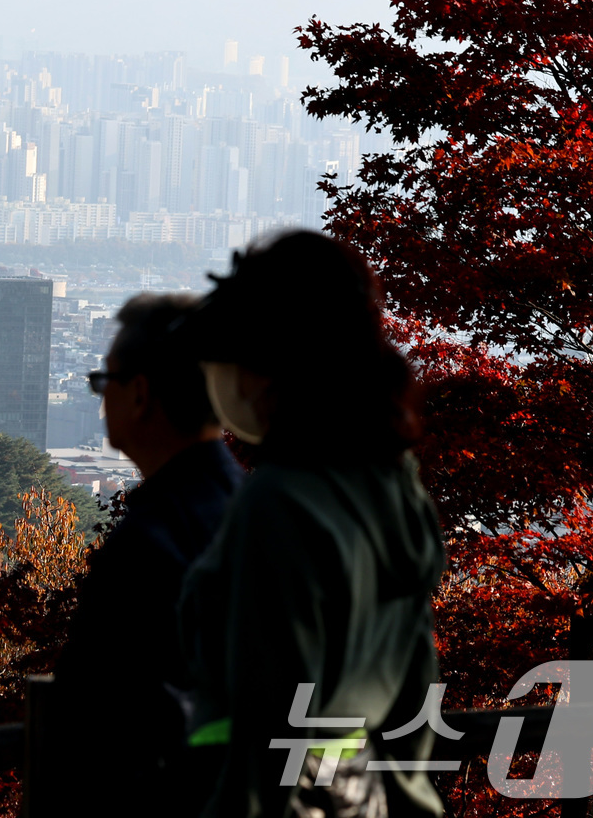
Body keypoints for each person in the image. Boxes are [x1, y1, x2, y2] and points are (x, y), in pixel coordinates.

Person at [178, 230, 446, 818]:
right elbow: (415, 693)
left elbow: (266, 717)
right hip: (363, 794)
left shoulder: (276, 503)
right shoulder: (394, 488)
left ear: (273, 370)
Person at [51, 292, 245, 816]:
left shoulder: (150, 537)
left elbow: (97, 715)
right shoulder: (251, 508)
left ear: (140, 393)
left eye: (104, 381)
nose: (100, 396)